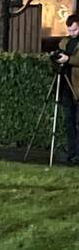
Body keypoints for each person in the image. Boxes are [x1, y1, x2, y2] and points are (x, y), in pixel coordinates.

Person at [54, 14, 79, 165]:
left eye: (75, 30)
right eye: (70, 30)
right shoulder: (64, 42)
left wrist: (68, 59)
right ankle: (71, 152)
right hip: (65, 87)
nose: (72, 33)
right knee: (69, 123)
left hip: (77, 86)